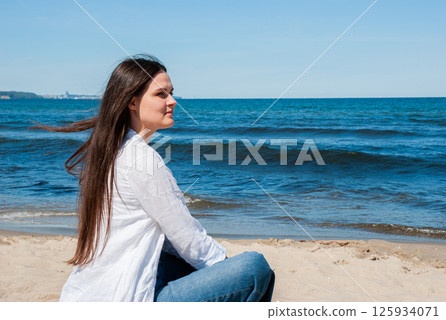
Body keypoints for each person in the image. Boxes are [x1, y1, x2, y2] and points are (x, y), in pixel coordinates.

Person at [39, 54, 275, 302]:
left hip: (86, 295)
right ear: (132, 101)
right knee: (255, 269)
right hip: (124, 297)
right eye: (161, 94)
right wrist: (226, 267)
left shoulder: (110, 152)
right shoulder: (142, 160)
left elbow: (173, 239)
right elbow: (188, 239)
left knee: (172, 256)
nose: (172, 101)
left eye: (171, 93)